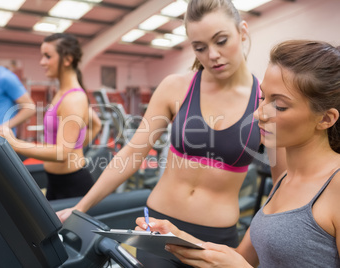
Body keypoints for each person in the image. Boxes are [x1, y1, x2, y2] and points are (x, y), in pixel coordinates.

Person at [56, 0, 285, 266]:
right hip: (159, 229)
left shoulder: (264, 101)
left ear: (242, 31)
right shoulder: (175, 87)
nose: (212, 55)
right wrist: (81, 206)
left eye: (221, 41)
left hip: (217, 238)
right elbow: (133, 151)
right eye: (200, 48)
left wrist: (245, 253)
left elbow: (281, 187)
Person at [136, 39, 340, 267]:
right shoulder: (285, 179)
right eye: (263, 98)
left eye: (279, 106)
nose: (258, 114)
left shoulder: (336, 186)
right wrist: (178, 238)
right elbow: (242, 258)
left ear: (325, 118)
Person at [0, 33, 101, 200]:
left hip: (72, 185)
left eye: (47, 56)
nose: (42, 62)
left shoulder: (73, 99)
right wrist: (77, 147)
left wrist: (14, 143)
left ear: (67, 59)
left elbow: (62, 153)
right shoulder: (63, 93)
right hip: (56, 181)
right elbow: (96, 124)